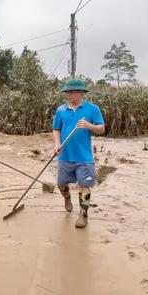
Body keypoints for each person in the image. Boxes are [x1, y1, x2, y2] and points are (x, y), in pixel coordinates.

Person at [52, 79, 105, 229]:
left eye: (71, 92)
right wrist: (56, 144)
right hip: (64, 155)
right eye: (67, 92)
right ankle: (67, 198)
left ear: (81, 93)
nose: (68, 95)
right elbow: (56, 130)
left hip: (84, 158)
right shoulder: (61, 110)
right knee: (61, 184)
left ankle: (83, 214)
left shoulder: (92, 109)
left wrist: (89, 125)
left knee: (85, 185)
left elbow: (101, 128)